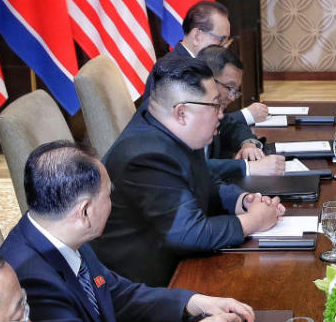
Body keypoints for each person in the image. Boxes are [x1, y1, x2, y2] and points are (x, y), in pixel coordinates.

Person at [1, 141, 258, 322]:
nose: (113, 203)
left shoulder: (58, 230)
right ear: (85, 211)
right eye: (109, 195)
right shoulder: (30, 280)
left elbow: (116, 293)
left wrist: (196, 303)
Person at [94, 54, 284, 287]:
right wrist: (253, 221)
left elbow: (205, 182)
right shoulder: (145, 156)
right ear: (182, 113)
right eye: (215, 105)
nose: (222, 114)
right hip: (145, 287)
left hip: (177, 266)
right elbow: (188, 234)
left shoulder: (173, 128)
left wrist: (243, 200)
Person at [144, 0, 270, 163]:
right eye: (222, 40)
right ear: (197, 35)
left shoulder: (201, 66)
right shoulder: (172, 74)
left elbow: (223, 123)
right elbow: (182, 156)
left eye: (227, 42)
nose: (225, 48)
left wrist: (248, 142)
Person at [198, 45, 285, 179]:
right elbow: (193, 169)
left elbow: (230, 125)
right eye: (229, 88)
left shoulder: (212, 110)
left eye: (235, 91)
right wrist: (248, 167)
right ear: (208, 80)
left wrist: (248, 143)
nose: (232, 97)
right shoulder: (186, 117)